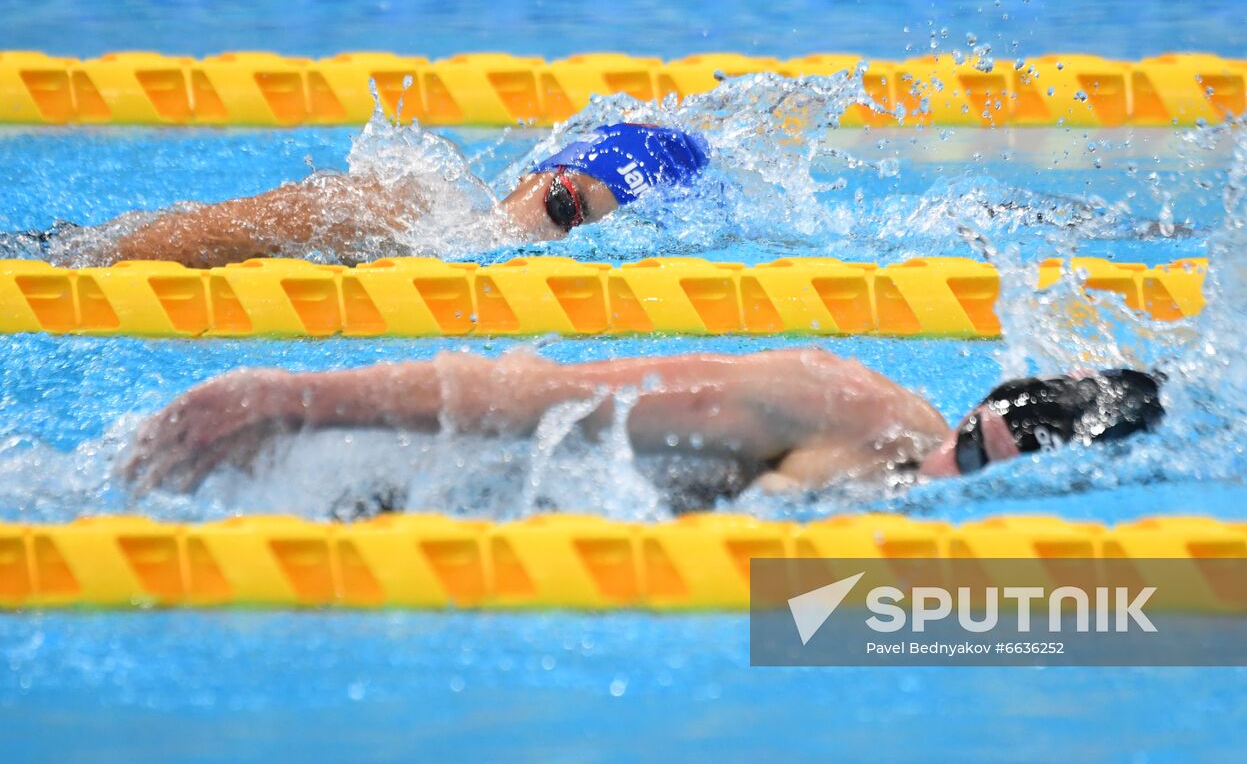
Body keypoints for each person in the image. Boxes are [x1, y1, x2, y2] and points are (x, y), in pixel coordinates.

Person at [124, 347, 1165, 509]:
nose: (945, 477)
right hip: (379, 471)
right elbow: (533, 395)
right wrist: (283, 394)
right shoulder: (839, 409)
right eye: (967, 446)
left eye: (982, 478)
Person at [2, 122, 709, 268]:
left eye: (564, 211)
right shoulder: (409, 213)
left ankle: (59, 250)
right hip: (80, 257)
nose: (543, 213)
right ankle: (58, 253)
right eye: (558, 201)